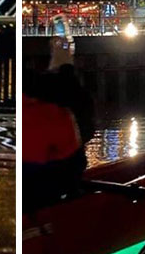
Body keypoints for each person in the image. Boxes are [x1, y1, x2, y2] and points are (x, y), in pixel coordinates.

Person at [23, 29, 95, 210]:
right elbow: (76, 162)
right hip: (46, 193)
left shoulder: (34, 105)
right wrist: (65, 70)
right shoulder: (53, 116)